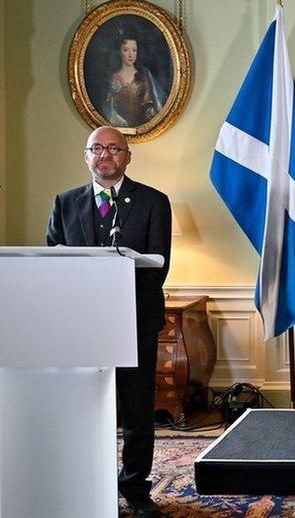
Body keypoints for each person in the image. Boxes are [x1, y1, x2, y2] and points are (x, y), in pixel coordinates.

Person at [46, 126, 171, 517]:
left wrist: (117, 301)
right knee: (86, 410)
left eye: (114, 148)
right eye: (97, 148)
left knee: (137, 410)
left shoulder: (154, 202)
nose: (105, 154)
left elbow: (157, 268)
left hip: (136, 320)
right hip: (83, 326)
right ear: (86, 156)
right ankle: (89, 484)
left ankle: (135, 489)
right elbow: (54, 262)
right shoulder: (64, 203)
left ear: (127, 156)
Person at [102, 28, 166, 127]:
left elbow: (154, 103)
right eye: (126, 50)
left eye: (134, 50)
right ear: (120, 51)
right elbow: (108, 110)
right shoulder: (113, 78)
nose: (130, 55)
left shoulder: (144, 75)